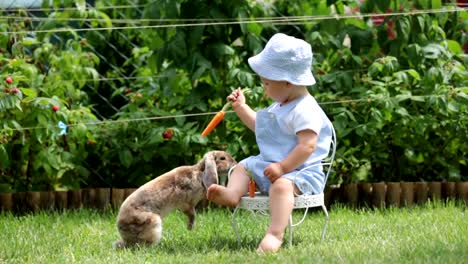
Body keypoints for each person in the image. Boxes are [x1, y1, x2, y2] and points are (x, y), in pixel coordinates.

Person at [207, 33, 333, 253]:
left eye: (266, 83)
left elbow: (308, 146)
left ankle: (275, 234)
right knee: (242, 167)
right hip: (271, 166)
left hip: (301, 172)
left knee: (282, 187)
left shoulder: (306, 109)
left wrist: (283, 168)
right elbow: (260, 126)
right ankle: (232, 194)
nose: (264, 88)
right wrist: (241, 108)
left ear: (287, 82)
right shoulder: (281, 104)